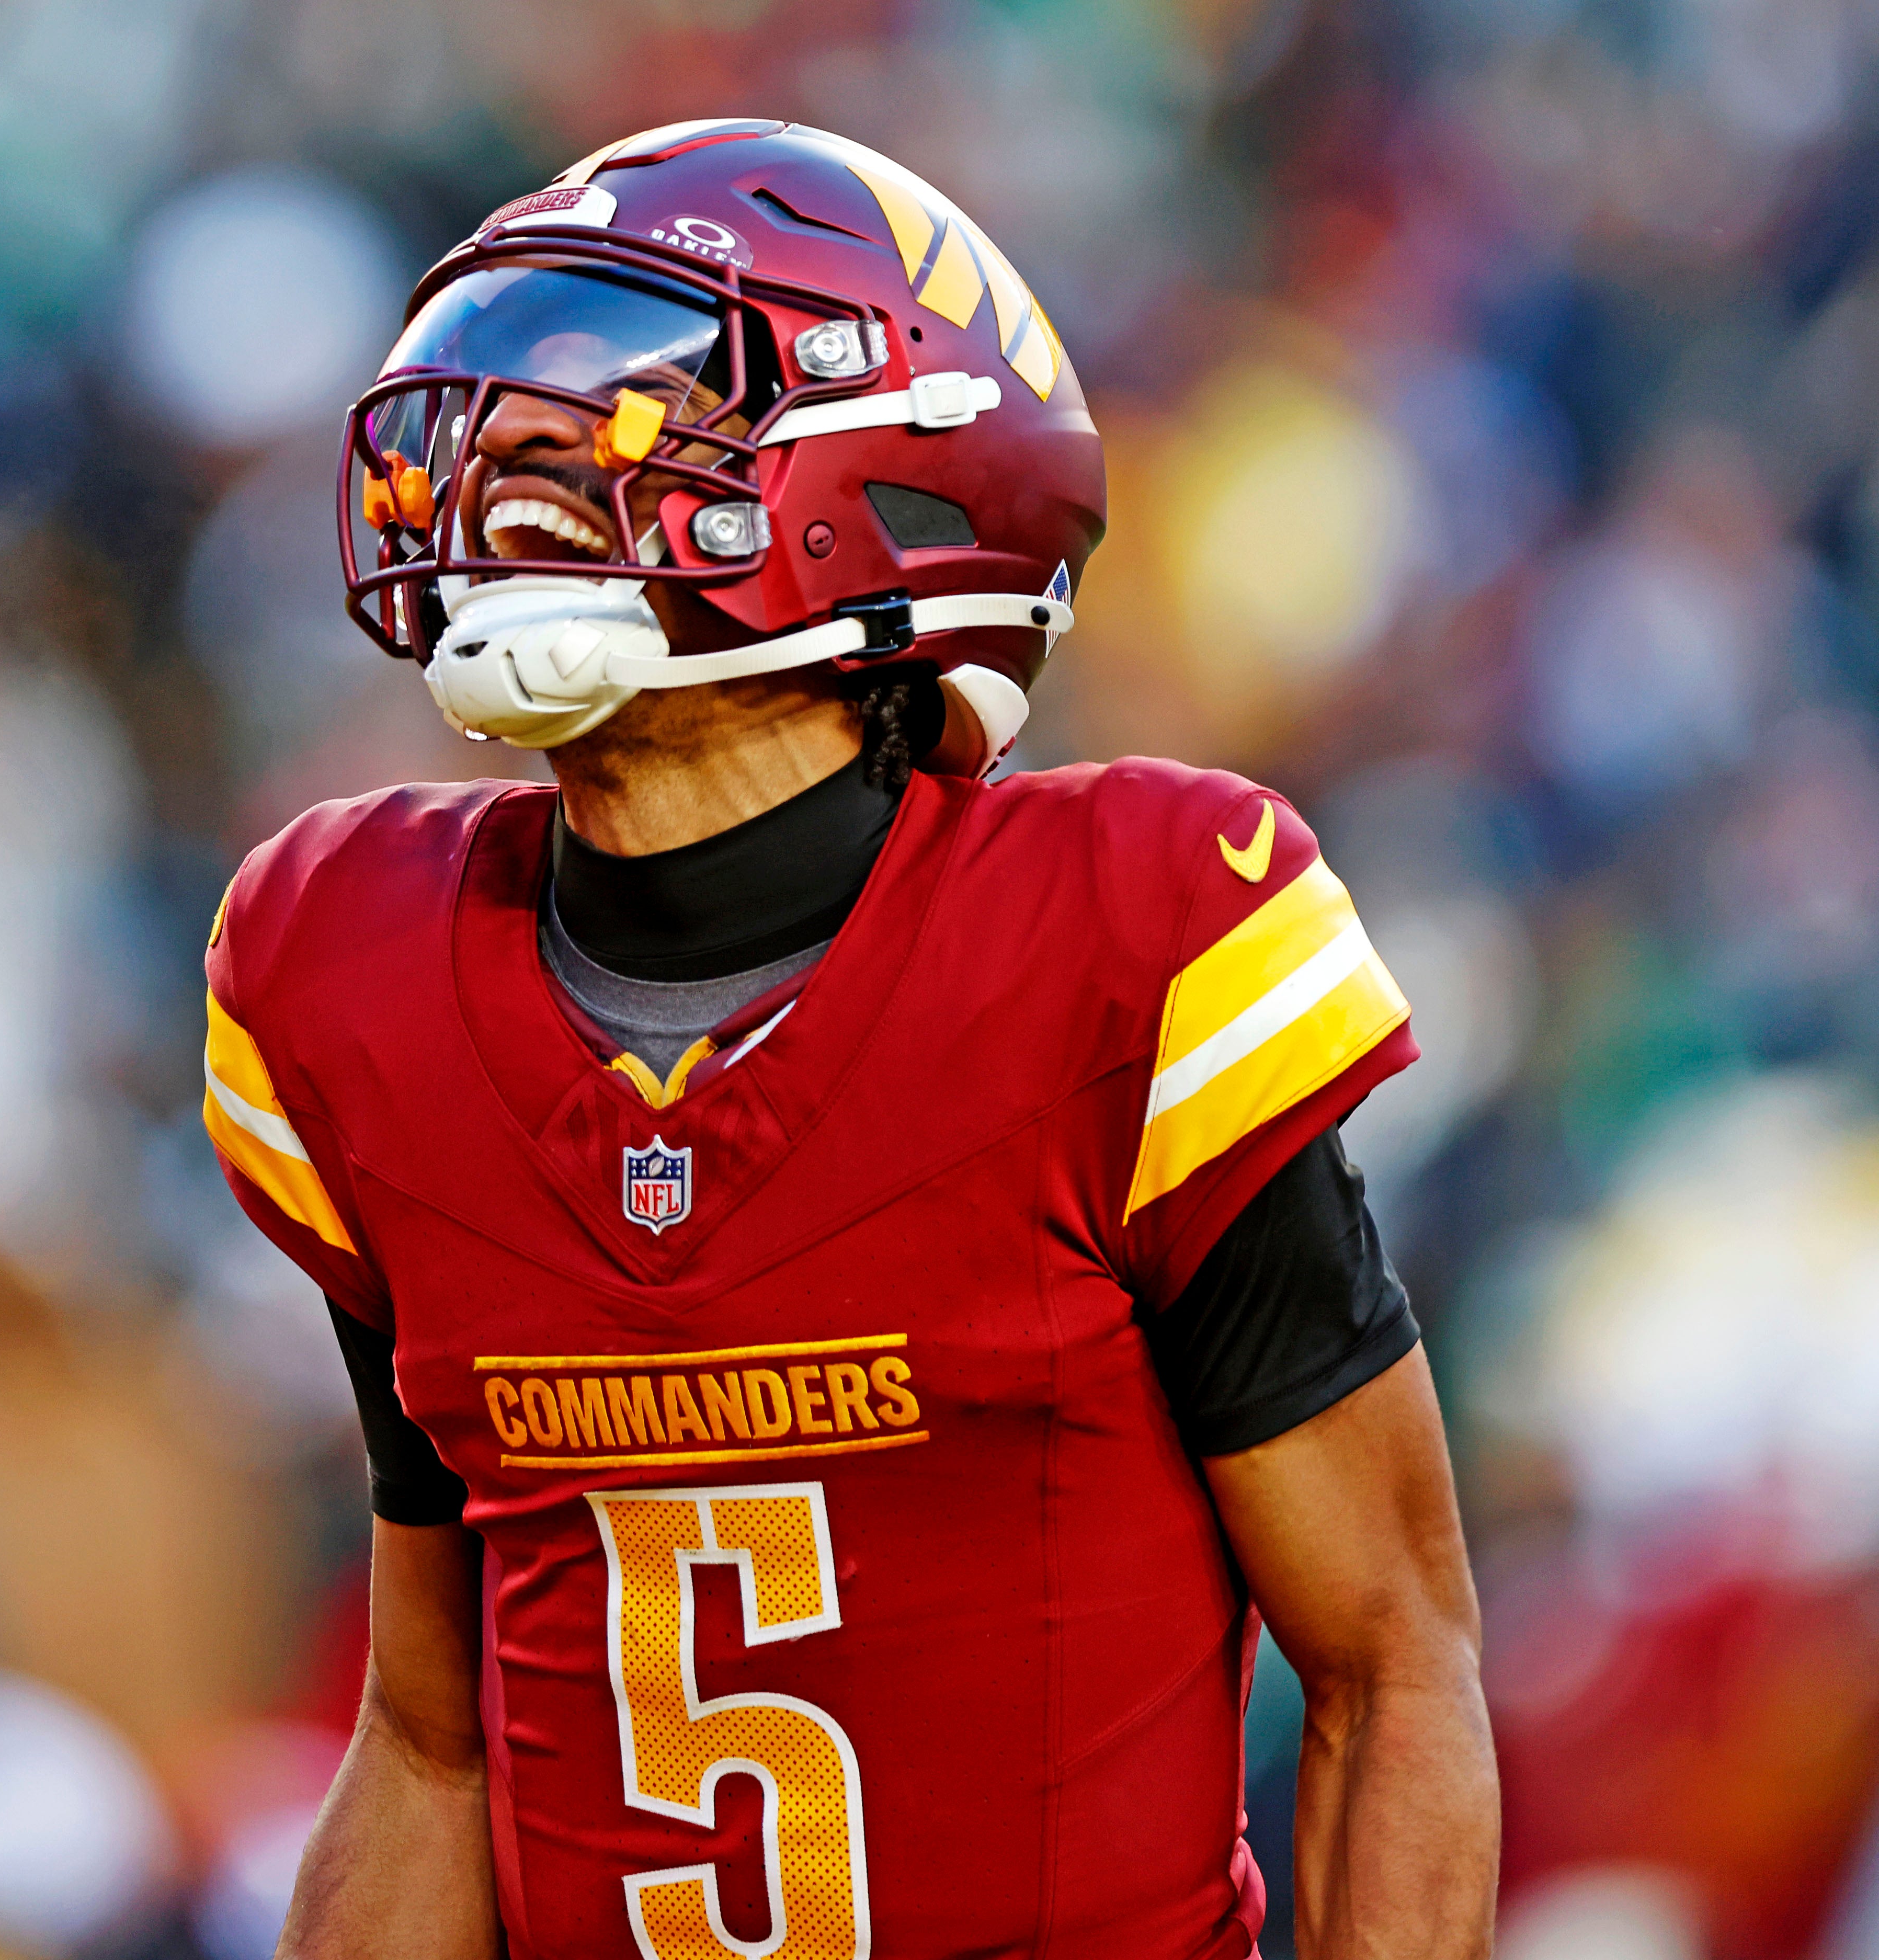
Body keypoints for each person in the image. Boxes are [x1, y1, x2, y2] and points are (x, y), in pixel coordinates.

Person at [203, 121, 1495, 1960]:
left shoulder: (1125, 934)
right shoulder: (344, 966)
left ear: (887, 472)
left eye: (614, 407)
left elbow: (1388, 1664)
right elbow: (431, 1740)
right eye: (497, 418)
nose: (501, 465)